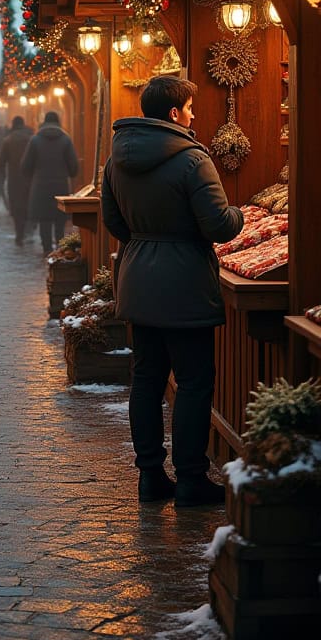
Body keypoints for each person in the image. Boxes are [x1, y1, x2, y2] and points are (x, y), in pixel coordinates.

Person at [101, 74, 244, 508]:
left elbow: (114, 221)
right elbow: (218, 225)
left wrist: (145, 241)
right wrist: (238, 215)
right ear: (174, 113)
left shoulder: (115, 160)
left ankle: (150, 476)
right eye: (190, 107)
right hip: (185, 284)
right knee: (194, 382)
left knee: (146, 379)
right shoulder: (191, 159)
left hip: (139, 279)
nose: (194, 114)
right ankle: (191, 479)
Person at [21, 111, 80, 255]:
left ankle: (46, 248)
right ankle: (60, 249)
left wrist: (32, 179)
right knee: (59, 220)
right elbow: (74, 167)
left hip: (40, 185)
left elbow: (25, 166)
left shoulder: (35, 140)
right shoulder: (66, 140)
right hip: (60, 185)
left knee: (44, 220)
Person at [0, 115, 34, 243]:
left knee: (16, 206)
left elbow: (1, 162)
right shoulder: (30, 139)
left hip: (14, 179)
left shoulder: (8, 140)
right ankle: (29, 231)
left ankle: (19, 232)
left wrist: (1, 177)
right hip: (29, 178)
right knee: (28, 203)